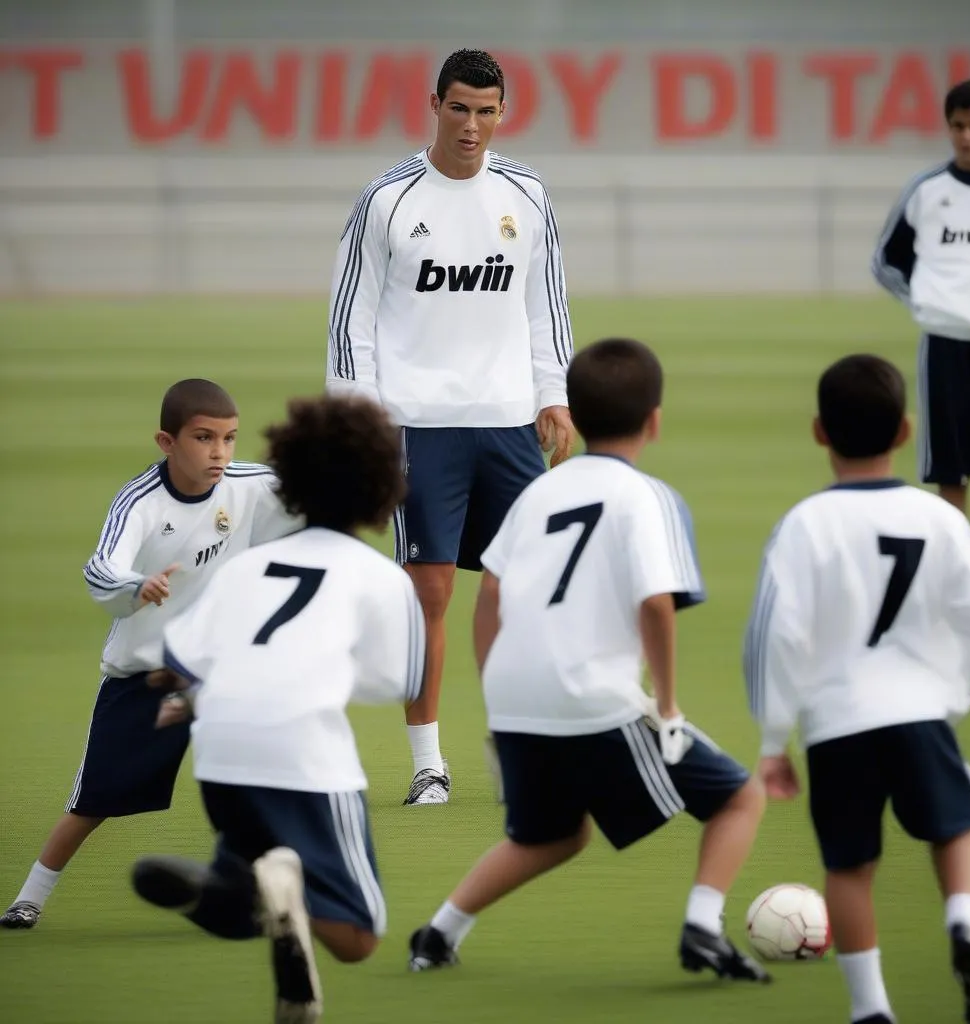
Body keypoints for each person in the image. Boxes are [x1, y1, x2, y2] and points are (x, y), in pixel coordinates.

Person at [407, 338, 769, 983]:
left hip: (518, 699)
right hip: (590, 696)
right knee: (740, 799)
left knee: (553, 835)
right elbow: (656, 604)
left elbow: (489, 590)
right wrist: (667, 704)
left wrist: (498, 690)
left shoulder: (536, 494)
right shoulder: (647, 497)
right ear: (654, 421)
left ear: (574, 410)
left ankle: (439, 932)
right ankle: (703, 929)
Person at [324, 47, 576, 805]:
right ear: (434, 104)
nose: (472, 126)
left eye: (487, 110)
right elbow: (351, 321)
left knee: (517, 588)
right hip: (417, 425)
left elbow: (546, 306)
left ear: (504, 112)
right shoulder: (388, 200)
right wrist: (359, 420)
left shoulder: (527, 195)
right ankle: (428, 763)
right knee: (428, 592)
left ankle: (513, 745)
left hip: (507, 424)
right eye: (459, 108)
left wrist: (552, 393)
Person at [130, 394, 424, 1024]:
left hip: (221, 752)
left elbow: (181, 655)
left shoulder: (248, 566)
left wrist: (188, 694)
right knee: (358, 935)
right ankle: (273, 891)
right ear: (382, 486)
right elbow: (394, 682)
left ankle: (228, 892)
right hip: (304, 756)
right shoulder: (381, 578)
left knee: (239, 909)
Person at [743, 354, 970, 1024]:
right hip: (920, 709)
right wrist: (954, 688)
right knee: (957, 826)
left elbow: (774, 634)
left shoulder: (804, 523)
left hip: (836, 723)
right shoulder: (940, 519)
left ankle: (871, 1009)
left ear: (817, 432)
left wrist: (775, 738)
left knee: (849, 864)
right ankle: (962, 922)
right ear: (904, 431)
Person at [0, 379, 301, 931]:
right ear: (167, 441)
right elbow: (101, 569)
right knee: (93, 801)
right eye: (204, 437)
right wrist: (138, 586)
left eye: (230, 438)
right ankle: (30, 898)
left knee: (259, 784)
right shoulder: (140, 501)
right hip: (149, 674)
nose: (219, 452)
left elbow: (317, 492)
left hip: (222, 673)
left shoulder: (249, 485)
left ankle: (261, 891)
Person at [871, 78, 970, 625]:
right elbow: (887, 260)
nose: (966, 136)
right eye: (958, 125)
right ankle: (958, 580)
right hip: (944, 344)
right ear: (949, 128)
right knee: (950, 473)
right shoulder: (927, 189)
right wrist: (928, 303)